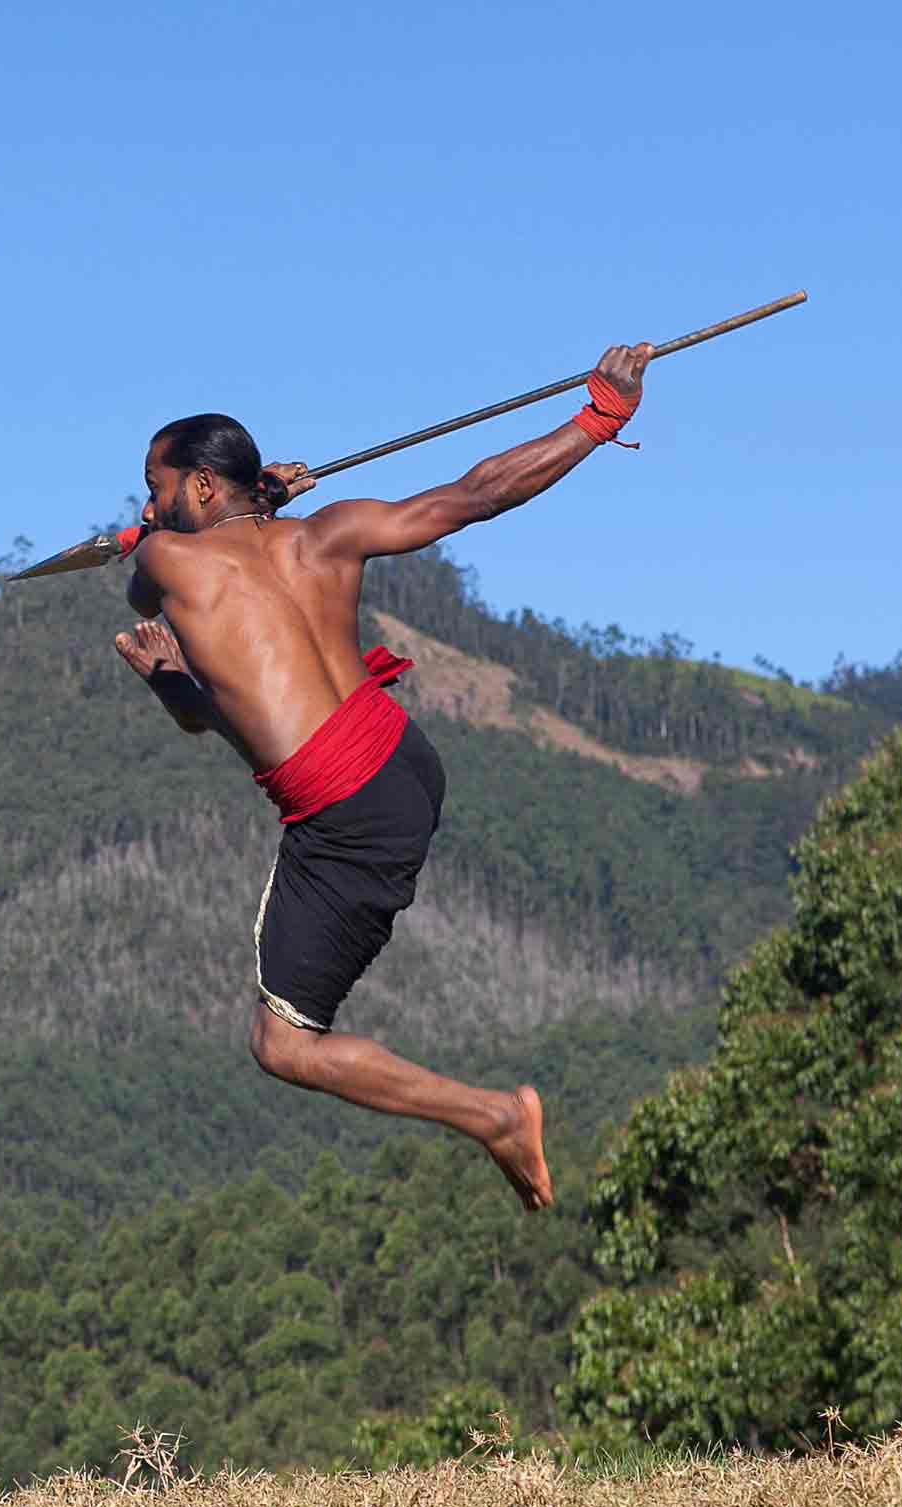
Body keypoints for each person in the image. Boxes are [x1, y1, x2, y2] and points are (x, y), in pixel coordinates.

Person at [111, 341, 657, 1212]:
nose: (148, 502)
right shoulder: (328, 535)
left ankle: (496, 1116)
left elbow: (143, 577)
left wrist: (147, 533)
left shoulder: (169, 563)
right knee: (288, 1024)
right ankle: (493, 1117)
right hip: (401, 763)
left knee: (284, 1046)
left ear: (203, 489)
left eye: (157, 484)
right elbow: (471, 498)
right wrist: (601, 415)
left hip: (346, 809)